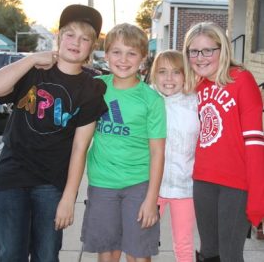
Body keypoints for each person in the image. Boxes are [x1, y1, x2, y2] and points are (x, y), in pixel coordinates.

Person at [0, 4, 108, 262]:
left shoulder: (91, 89)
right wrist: (33, 58)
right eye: (70, 34)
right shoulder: (34, 72)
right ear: (59, 37)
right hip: (11, 177)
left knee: (46, 255)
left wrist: (70, 197)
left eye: (85, 38)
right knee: (10, 253)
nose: (76, 42)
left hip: (51, 183)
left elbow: (81, 147)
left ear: (91, 47)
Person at [80, 23, 166, 262]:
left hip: (138, 184)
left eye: (131, 53)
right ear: (105, 55)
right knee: (107, 250)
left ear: (143, 58)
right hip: (102, 183)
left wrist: (151, 199)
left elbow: (158, 152)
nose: (123, 59)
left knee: (139, 252)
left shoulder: (151, 100)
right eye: (116, 52)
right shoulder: (97, 88)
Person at [182, 21, 264, 262]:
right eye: (194, 51)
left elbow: (255, 142)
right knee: (209, 252)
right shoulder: (194, 85)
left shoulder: (242, 80)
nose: (200, 57)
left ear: (223, 49)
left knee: (229, 255)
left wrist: (258, 193)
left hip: (235, 184)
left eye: (208, 50)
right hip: (203, 180)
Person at [150, 50, 199, 262]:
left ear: (185, 75)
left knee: (184, 242)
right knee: (142, 238)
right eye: (162, 72)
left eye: (176, 72)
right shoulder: (147, 100)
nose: (169, 78)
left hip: (185, 185)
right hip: (152, 187)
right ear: (154, 75)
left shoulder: (195, 103)